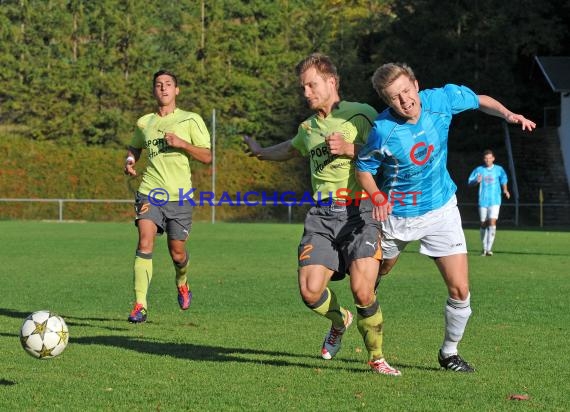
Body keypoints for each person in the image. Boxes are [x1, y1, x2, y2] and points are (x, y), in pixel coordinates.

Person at [355, 62, 535, 372]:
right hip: (397, 216)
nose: (405, 100)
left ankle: (449, 353)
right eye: (394, 97)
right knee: (378, 274)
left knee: (460, 290)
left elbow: (480, 100)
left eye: (407, 91)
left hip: (441, 210)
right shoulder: (383, 130)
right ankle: (376, 280)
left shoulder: (441, 100)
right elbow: (364, 168)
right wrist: (377, 196)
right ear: (387, 101)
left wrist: (508, 114)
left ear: (416, 84)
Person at [243, 53, 400, 376]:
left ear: (331, 82)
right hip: (322, 215)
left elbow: (389, 153)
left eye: (311, 85)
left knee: (362, 290)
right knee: (310, 291)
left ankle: (377, 358)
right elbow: (289, 147)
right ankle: (339, 320)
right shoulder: (308, 127)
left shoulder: (362, 114)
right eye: (303, 87)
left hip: (361, 210)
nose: (306, 93)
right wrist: (260, 153)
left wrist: (351, 149)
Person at [123, 70, 212, 323]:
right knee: (145, 242)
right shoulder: (145, 123)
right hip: (150, 192)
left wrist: (183, 144)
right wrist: (130, 159)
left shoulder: (190, 120)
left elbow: (207, 156)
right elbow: (135, 145)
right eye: (159, 85)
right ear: (154, 90)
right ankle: (140, 305)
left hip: (180, 197)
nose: (163, 88)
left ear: (177, 90)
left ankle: (182, 281)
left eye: (168, 84)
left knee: (177, 253)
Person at [468, 150, 510, 256]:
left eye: (489, 158)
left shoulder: (498, 169)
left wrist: (505, 190)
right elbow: (470, 182)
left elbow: (504, 179)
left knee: (492, 222)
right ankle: (484, 247)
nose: (488, 160)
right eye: (486, 158)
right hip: (483, 200)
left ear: (493, 158)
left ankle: (489, 249)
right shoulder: (479, 170)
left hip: (495, 200)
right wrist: (476, 181)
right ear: (484, 159)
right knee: (483, 223)